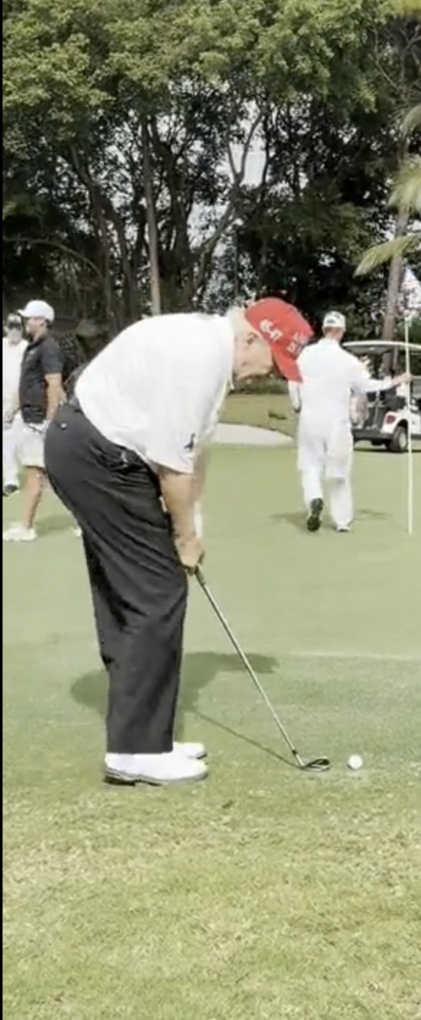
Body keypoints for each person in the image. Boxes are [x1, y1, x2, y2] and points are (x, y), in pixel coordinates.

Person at [43, 299, 312, 786]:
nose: (267, 374)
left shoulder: (213, 353)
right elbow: (172, 466)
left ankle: (144, 737)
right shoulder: (201, 358)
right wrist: (184, 538)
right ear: (251, 338)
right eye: (272, 362)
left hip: (93, 451)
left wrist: (192, 522)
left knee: (135, 594)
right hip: (96, 456)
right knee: (157, 592)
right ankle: (136, 750)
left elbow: (193, 453)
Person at [288, 311, 410, 533]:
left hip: (309, 419)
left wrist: (297, 403)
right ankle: (341, 520)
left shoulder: (305, 355)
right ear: (341, 331)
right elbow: (367, 386)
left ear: (324, 329)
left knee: (310, 465)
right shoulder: (347, 360)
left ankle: (314, 499)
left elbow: (293, 379)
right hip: (337, 422)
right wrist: (396, 381)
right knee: (339, 473)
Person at [3, 300, 65, 541]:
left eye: (29, 318)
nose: (26, 322)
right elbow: (27, 383)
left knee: (34, 472)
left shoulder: (48, 347)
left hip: (40, 420)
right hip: (30, 417)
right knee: (45, 473)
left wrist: (49, 420)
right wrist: (13, 409)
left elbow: (54, 384)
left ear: (41, 321)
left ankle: (26, 527)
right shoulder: (33, 347)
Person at [2, 313, 28, 496]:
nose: (14, 331)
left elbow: (26, 379)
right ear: (6, 328)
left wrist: (15, 405)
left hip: (22, 400)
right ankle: (11, 479)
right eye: (11, 327)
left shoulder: (26, 349)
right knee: (5, 440)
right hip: (4, 400)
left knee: (23, 439)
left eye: (17, 328)